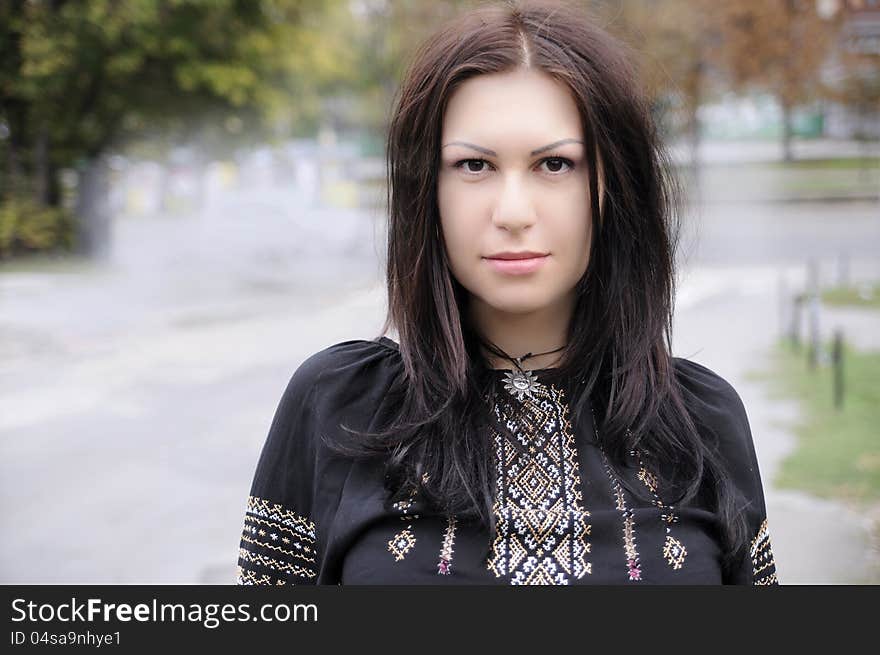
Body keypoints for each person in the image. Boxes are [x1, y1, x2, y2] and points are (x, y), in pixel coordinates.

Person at [235, 0, 778, 585]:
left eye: (554, 165)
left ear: (612, 186)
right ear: (427, 192)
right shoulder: (340, 407)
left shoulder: (699, 421)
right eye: (473, 166)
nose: (513, 212)